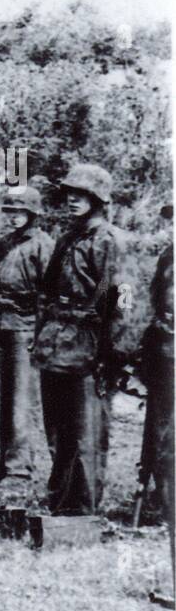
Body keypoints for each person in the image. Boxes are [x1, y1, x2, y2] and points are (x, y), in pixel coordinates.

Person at [31, 164, 127, 515]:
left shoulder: (109, 241)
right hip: (57, 343)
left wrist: (112, 352)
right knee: (58, 432)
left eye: (81, 194)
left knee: (86, 434)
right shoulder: (68, 238)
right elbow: (48, 291)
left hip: (90, 346)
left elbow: (122, 298)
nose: (72, 199)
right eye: (69, 193)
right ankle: (60, 503)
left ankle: (82, 511)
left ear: (97, 199)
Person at [0, 183, 54, 482]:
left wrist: (41, 328)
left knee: (21, 397)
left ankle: (19, 467)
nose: (14, 217)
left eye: (20, 212)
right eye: (9, 211)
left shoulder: (43, 245)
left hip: (26, 323)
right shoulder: (3, 244)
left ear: (33, 214)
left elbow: (49, 292)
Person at [140, 202, 173, 583]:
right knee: (160, 433)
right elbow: (153, 299)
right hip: (165, 351)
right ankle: (160, 499)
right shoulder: (168, 255)